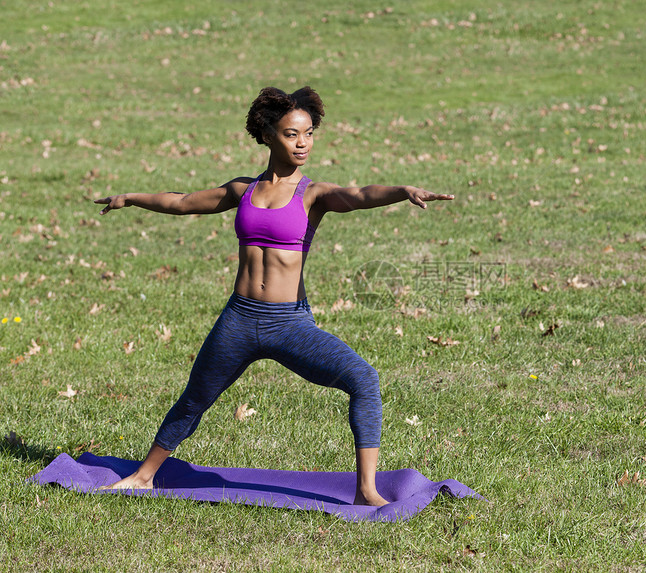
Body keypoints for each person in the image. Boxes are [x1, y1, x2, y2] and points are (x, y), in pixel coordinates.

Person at [93, 86, 454, 506]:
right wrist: (129, 198)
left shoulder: (313, 195)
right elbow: (183, 202)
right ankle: (143, 476)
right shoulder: (242, 190)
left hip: (288, 323)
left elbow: (358, 196)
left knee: (364, 379)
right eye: (291, 134)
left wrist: (401, 190)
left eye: (309, 133)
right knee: (195, 397)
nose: (303, 143)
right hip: (239, 319)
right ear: (267, 135)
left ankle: (365, 490)